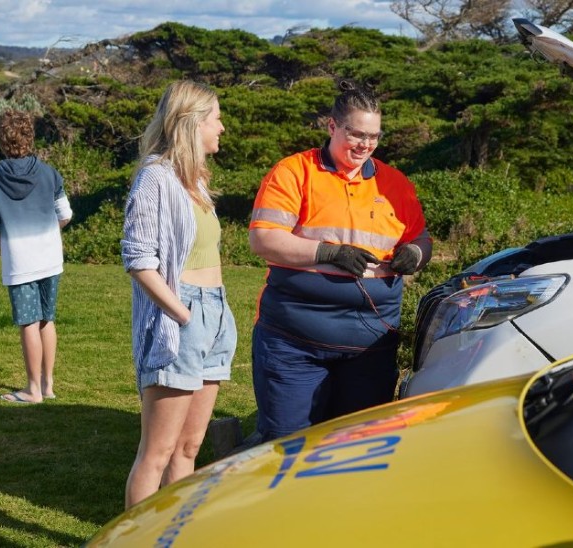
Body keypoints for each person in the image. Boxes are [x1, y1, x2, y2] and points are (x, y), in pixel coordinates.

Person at [248, 80, 432, 441]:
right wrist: (328, 253)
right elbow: (263, 239)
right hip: (293, 342)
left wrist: (416, 254)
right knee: (286, 444)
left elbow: (420, 238)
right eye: (356, 134)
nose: (365, 144)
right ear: (332, 126)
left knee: (356, 449)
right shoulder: (293, 172)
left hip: (370, 349)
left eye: (374, 136)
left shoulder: (395, 183)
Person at [121, 80, 234, 507]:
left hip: (216, 316)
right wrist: (182, 313)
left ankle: (172, 535)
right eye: (216, 118)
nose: (222, 128)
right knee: (157, 453)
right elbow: (138, 260)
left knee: (188, 449)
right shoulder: (155, 177)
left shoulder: (196, 180)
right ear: (192, 123)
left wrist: (215, 317)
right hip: (181, 316)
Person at [0, 110, 73, 404]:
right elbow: (66, 215)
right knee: (47, 319)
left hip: (20, 260)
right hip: (50, 255)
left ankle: (32, 390)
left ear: (2, 140)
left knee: (28, 323)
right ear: (29, 137)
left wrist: (7, 246)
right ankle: (47, 384)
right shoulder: (49, 173)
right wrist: (47, 233)